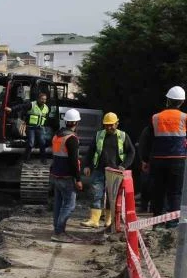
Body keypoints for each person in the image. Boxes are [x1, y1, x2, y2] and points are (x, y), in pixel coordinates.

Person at [140, 86, 187, 228]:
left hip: (158, 160)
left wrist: (145, 160)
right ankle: (173, 223)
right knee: (175, 192)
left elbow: (146, 140)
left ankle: (158, 223)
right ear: (182, 102)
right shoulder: (185, 118)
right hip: (178, 160)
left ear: (168, 100)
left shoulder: (156, 118)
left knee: (158, 191)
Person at [81, 112, 135, 228]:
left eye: (111, 125)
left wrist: (124, 166)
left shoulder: (123, 136)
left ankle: (109, 220)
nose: (109, 127)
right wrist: (87, 166)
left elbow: (131, 152)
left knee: (112, 196)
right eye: (106, 125)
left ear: (117, 123)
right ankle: (94, 220)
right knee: (96, 194)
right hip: (99, 169)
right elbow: (91, 151)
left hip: (115, 171)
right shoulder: (99, 135)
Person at [50, 109, 83, 242]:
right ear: (75, 122)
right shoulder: (72, 139)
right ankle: (59, 232)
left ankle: (57, 229)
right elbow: (73, 161)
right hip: (67, 177)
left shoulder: (57, 135)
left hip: (56, 175)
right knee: (69, 205)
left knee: (58, 203)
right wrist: (78, 179)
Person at [14, 92, 50, 162]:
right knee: (31, 143)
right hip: (30, 128)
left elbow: (45, 118)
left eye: (45, 99)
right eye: (42, 99)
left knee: (42, 143)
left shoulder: (46, 108)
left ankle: (43, 159)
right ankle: (26, 159)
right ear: (38, 99)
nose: (43, 101)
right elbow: (21, 106)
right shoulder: (32, 104)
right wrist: (12, 109)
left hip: (40, 128)